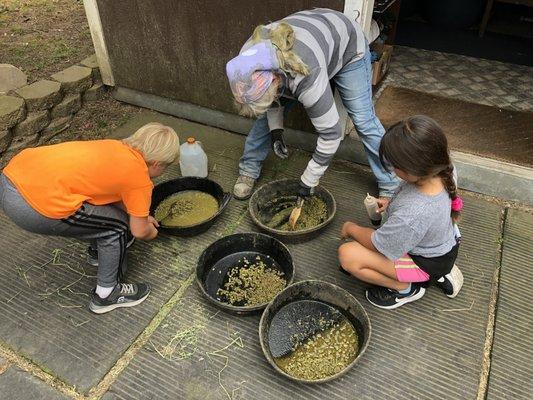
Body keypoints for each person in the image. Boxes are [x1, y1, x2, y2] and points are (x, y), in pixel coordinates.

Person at [0, 123, 179, 314]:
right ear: (157, 164)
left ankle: (98, 253)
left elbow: (110, 193)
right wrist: (150, 231)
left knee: (107, 214)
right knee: (117, 228)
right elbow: (139, 231)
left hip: (13, 177)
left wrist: (141, 216)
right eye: (165, 167)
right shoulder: (139, 178)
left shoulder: (116, 147)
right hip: (33, 206)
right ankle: (107, 294)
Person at [226, 8, 398, 205]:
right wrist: (276, 131)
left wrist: (309, 179)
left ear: (275, 80)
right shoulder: (246, 61)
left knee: (363, 119)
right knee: (265, 116)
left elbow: (331, 134)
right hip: (308, 44)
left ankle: (390, 183)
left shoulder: (306, 76)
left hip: (347, 45)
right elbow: (273, 101)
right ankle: (249, 169)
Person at [338, 116, 464, 309]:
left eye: (394, 164)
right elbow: (411, 199)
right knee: (360, 248)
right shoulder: (444, 168)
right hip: (443, 245)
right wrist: (391, 202)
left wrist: (350, 228)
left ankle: (405, 288)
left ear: (412, 170)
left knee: (348, 254)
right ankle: (441, 272)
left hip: (423, 261)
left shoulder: (414, 212)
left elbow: (378, 243)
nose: (392, 168)